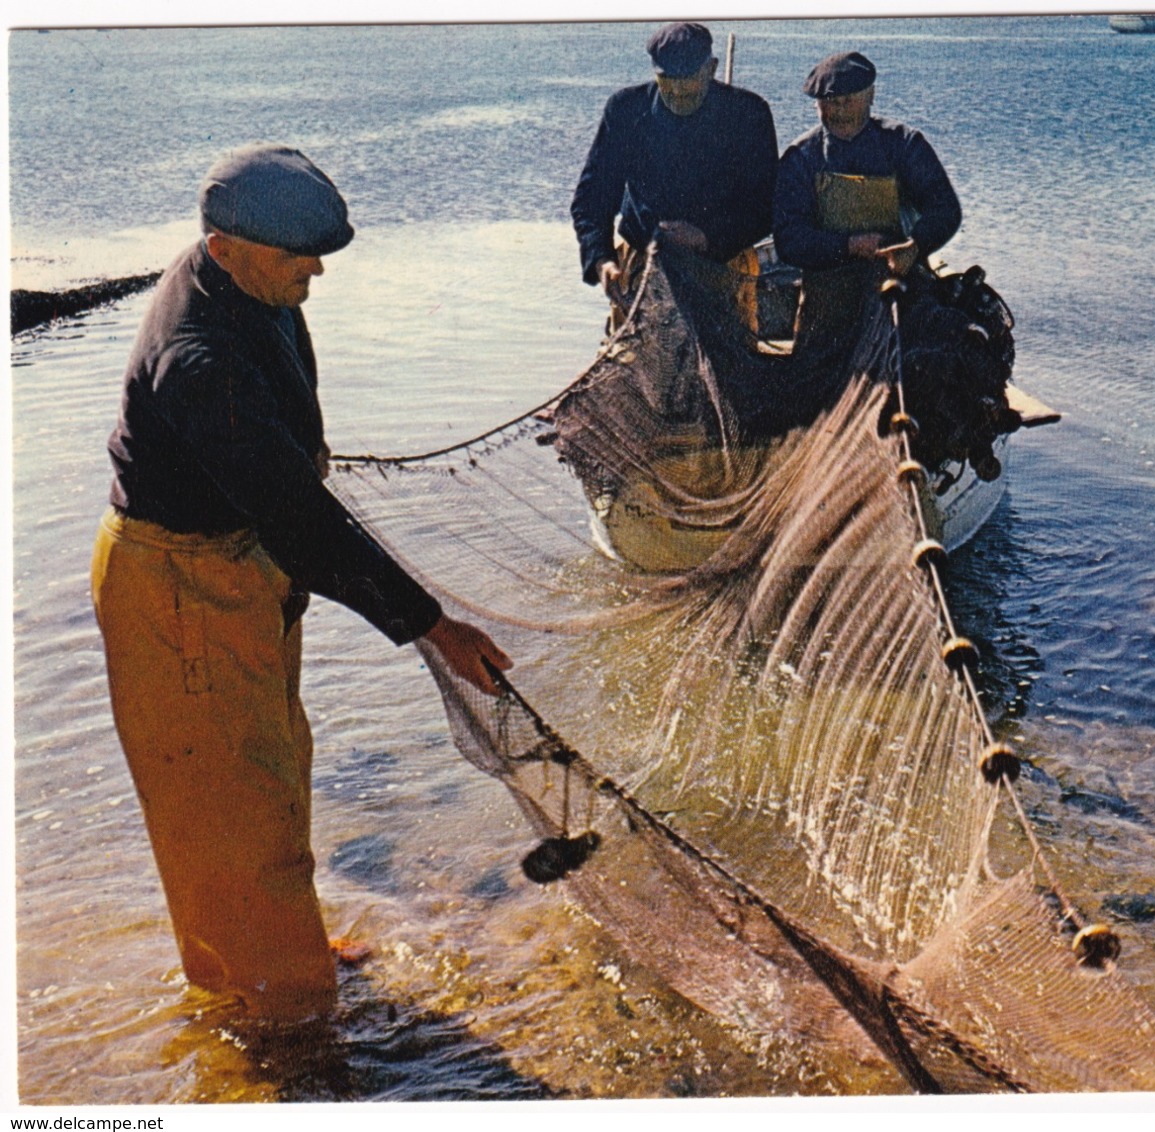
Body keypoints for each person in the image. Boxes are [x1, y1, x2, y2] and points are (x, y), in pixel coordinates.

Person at [91, 143, 512, 1022]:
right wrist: (438, 628)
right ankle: (277, 1023)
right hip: (175, 584)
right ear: (223, 247)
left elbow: (289, 478)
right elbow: (307, 529)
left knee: (277, 770)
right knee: (225, 816)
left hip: (240, 565)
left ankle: (282, 949)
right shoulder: (197, 360)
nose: (315, 269)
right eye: (299, 256)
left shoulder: (249, 280)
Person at [570, 21, 777, 324]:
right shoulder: (625, 109)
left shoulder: (749, 113)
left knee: (726, 364)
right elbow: (591, 200)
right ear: (655, 72)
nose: (678, 92)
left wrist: (707, 237)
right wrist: (601, 258)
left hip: (724, 266)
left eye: (689, 80)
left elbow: (767, 206)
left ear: (712, 68)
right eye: (668, 80)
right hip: (643, 264)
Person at [772, 51, 963, 358]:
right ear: (816, 105)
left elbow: (945, 210)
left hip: (899, 287)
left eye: (850, 100)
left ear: (871, 95)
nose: (840, 110)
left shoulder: (904, 144)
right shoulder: (801, 158)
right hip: (828, 300)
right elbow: (789, 240)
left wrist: (915, 246)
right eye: (830, 102)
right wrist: (849, 245)